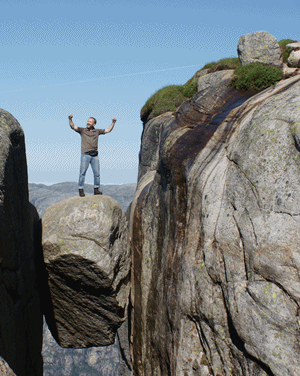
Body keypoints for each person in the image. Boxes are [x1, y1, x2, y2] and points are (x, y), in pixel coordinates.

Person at [68, 114, 117, 197]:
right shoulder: (82, 130)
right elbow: (73, 126)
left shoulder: (97, 131)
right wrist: (70, 119)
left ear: (94, 124)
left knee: (97, 174)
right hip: (85, 155)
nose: (88, 122)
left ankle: (96, 189)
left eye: (90, 122)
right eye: (87, 121)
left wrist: (113, 122)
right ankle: (80, 189)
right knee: (82, 173)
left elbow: (108, 130)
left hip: (95, 156)